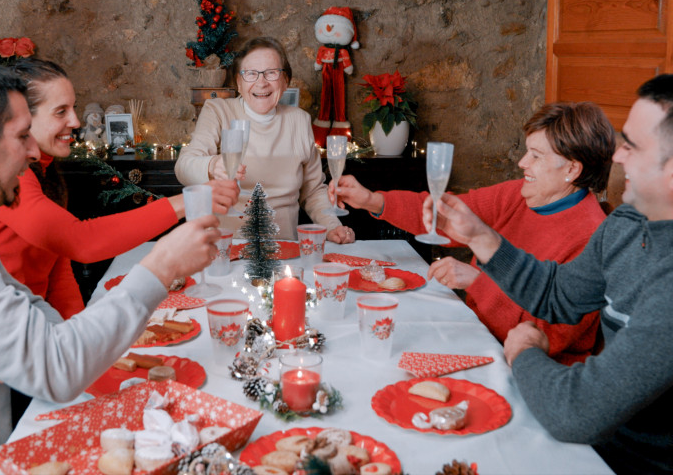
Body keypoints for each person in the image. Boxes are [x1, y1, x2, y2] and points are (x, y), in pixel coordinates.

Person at [0, 58, 220, 474]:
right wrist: (160, 266)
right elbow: (54, 366)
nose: (34, 151)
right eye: (22, 136)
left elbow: (45, 322)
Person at [427, 75, 673, 475]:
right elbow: (561, 294)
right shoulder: (628, 222)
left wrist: (524, 352)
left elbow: (577, 412)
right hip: (597, 439)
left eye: (633, 146)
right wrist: (483, 239)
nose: (619, 157)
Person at [332, 102, 615, 365]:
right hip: (481, 334)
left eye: (536, 156)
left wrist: (477, 282)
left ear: (571, 169)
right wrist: (372, 200)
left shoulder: (590, 238)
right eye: (527, 151)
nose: (522, 163)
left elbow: (541, 337)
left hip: (531, 372)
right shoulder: (521, 194)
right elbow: (444, 213)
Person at [0, 58, 239, 319]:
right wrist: (186, 202)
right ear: (22, 118)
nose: (75, 121)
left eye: (73, 108)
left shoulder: (45, 171)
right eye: (61, 112)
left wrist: (75, 334)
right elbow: (80, 241)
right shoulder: (7, 176)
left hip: (34, 321)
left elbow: (59, 269)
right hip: (4, 329)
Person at [176, 36, 355, 243]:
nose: (261, 83)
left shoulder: (299, 120)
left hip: (283, 246)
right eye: (251, 74)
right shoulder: (218, 111)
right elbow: (184, 167)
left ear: (285, 81)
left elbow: (313, 190)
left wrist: (332, 227)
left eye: (271, 73)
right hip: (225, 246)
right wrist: (212, 165)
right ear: (239, 83)